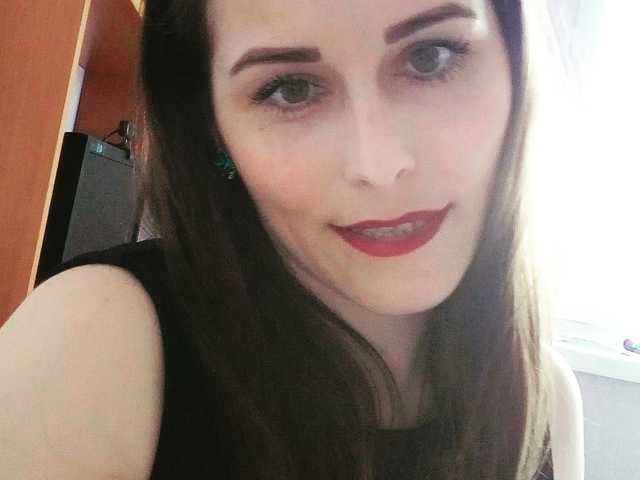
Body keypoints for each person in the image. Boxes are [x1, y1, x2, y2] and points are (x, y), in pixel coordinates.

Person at [0, 0, 584, 479]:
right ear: (212, 130)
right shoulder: (97, 343)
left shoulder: (543, 399)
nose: (379, 165)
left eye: (430, 57)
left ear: (515, 60)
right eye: (292, 90)